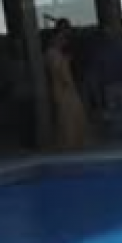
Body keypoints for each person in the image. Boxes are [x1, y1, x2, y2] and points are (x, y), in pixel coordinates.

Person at [45, 22, 91, 151]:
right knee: (66, 116)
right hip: (63, 88)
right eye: (61, 39)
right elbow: (58, 70)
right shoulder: (52, 53)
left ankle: (76, 141)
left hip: (68, 87)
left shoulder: (59, 53)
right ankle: (69, 142)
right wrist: (65, 63)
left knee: (74, 113)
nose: (63, 41)